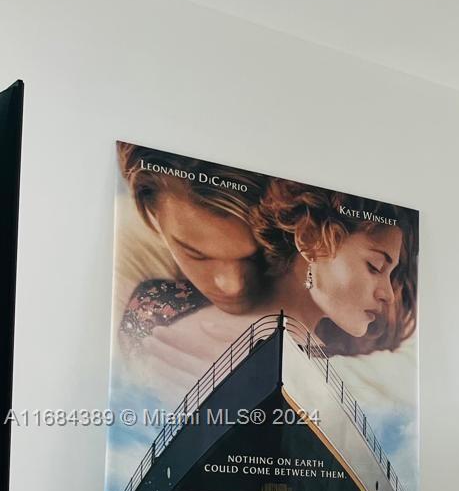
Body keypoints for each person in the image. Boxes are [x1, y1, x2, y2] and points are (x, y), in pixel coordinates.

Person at [137, 179, 418, 382]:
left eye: (389, 273)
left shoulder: (342, 363)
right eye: (375, 266)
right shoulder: (169, 321)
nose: (388, 295)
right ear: (309, 240)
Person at [115, 143, 275, 341]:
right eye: (196, 254)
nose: (232, 286)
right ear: (152, 214)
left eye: (255, 256)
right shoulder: (125, 243)